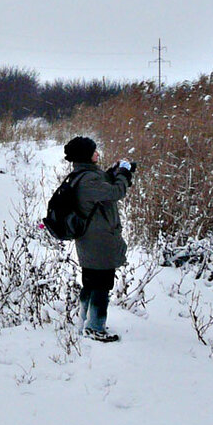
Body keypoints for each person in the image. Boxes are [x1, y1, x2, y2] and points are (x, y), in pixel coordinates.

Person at [62, 136, 135, 343]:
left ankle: (85, 320)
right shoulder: (88, 180)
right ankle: (95, 327)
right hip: (99, 240)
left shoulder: (84, 175)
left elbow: (105, 184)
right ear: (87, 155)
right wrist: (123, 174)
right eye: (94, 151)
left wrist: (115, 172)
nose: (98, 154)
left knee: (91, 282)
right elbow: (115, 192)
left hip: (90, 239)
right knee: (102, 284)